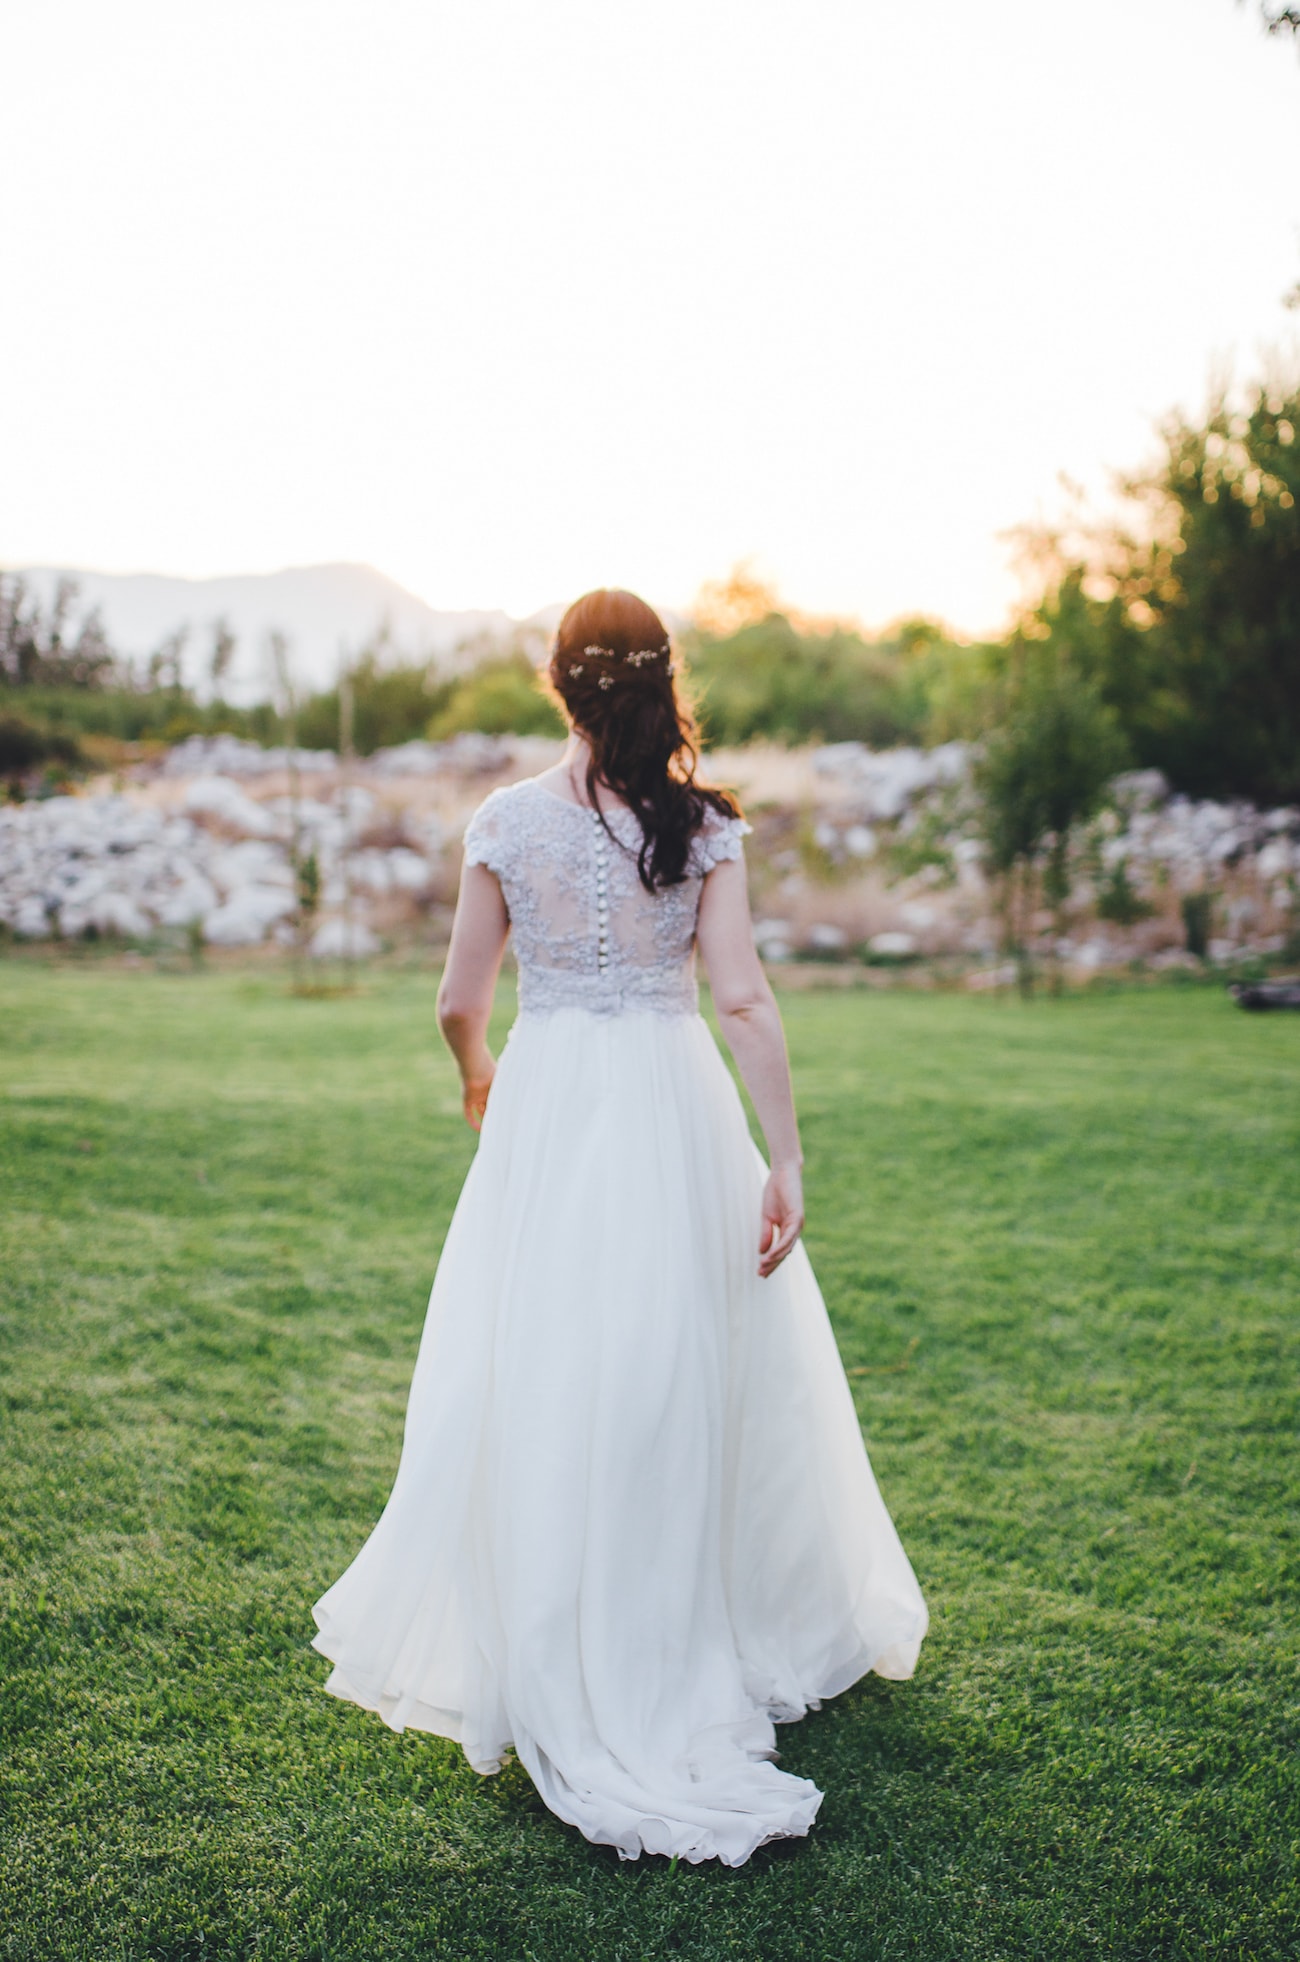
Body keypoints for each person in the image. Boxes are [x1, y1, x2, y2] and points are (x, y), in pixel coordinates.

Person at [311, 588, 927, 1866]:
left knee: (545, 1366)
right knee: (676, 1369)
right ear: (662, 683)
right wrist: (787, 1155)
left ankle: (556, 1637)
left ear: (557, 684)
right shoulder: (701, 827)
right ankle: (670, 1633)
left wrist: (482, 1076)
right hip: (670, 1105)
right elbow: (743, 1002)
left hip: (552, 1109)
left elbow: (453, 997)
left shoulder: (503, 823)